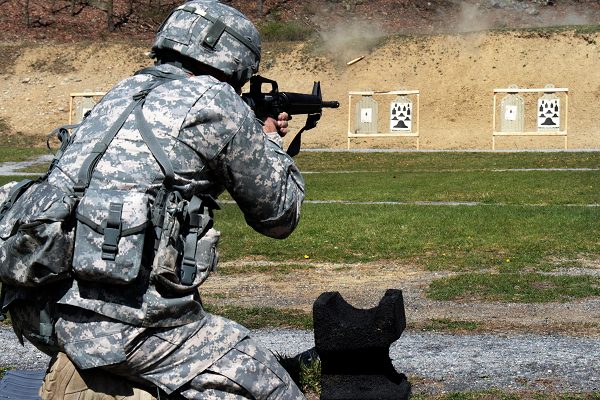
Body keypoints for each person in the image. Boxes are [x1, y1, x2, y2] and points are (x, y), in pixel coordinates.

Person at [0, 0, 306, 398]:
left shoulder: (123, 91)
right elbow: (279, 215)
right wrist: (267, 138)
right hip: (124, 324)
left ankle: (97, 380)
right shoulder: (215, 101)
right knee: (272, 387)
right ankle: (109, 370)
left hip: (41, 308)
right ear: (236, 61)